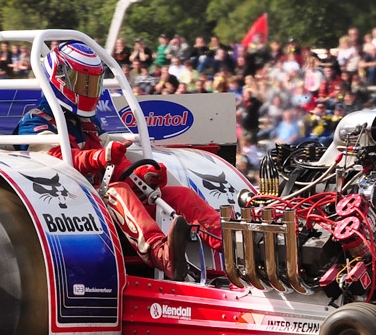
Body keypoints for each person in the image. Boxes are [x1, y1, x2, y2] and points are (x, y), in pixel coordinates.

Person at [14, 40, 222, 280]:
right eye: (82, 82)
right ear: (59, 78)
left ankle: (233, 245)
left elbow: (117, 163)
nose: (88, 90)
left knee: (179, 195)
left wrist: (143, 175)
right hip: (66, 203)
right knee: (118, 191)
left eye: (92, 83)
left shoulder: (89, 122)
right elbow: (59, 160)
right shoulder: (34, 122)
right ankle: (161, 253)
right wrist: (101, 156)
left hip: (98, 198)